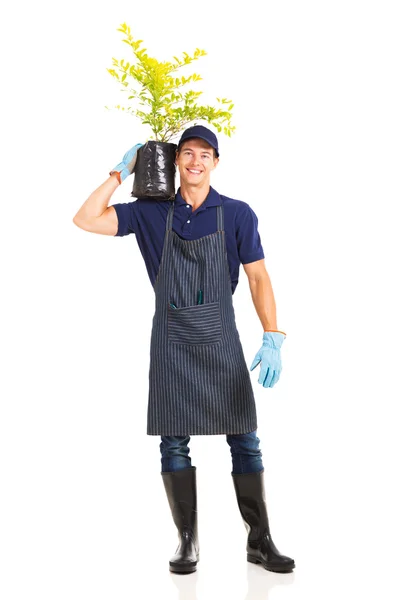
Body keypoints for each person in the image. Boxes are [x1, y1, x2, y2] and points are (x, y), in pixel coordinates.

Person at [72, 125, 295, 575]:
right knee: (174, 441)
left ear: (216, 162)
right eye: (187, 153)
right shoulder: (150, 213)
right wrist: (120, 172)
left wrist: (273, 333)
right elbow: (85, 218)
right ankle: (187, 541)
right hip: (171, 340)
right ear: (175, 160)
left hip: (220, 338)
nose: (195, 161)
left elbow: (257, 277)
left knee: (245, 441)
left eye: (205, 154)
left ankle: (260, 539)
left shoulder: (236, 213)